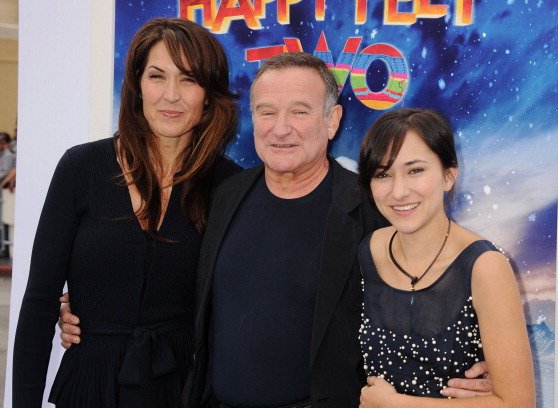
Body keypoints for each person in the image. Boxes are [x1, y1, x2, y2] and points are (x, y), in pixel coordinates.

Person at [60, 53, 493, 407]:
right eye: (267, 112)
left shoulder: (370, 207)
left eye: (299, 112)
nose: (280, 128)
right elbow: (171, 276)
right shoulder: (223, 193)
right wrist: (88, 306)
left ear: (332, 121)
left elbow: (429, 288)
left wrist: (470, 367)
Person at [13, 17, 239, 408]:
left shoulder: (230, 186)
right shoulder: (81, 167)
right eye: (157, 76)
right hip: (89, 385)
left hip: (184, 390)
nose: (171, 95)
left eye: (188, 79)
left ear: (208, 95)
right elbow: (38, 300)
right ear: (136, 87)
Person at [357, 108, 535, 407]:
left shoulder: (484, 266)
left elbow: (518, 403)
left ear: (449, 175)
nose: (399, 191)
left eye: (415, 170)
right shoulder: (369, 250)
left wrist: (395, 404)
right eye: (383, 174)